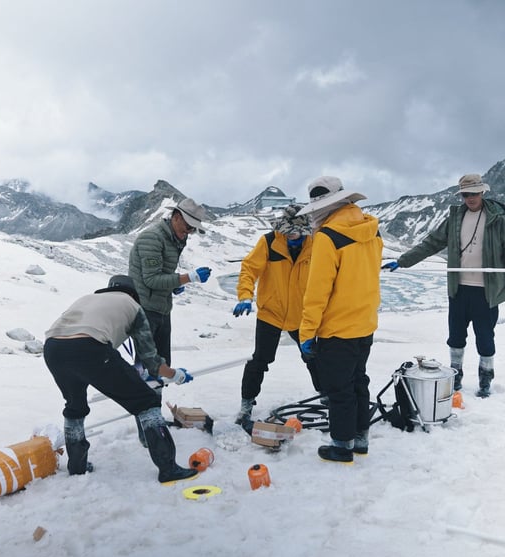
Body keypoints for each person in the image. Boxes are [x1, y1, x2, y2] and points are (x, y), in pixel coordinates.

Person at [382, 173, 505, 398]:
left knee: (485, 337)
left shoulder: (497, 219)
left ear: (482, 192)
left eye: (474, 193)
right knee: (456, 337)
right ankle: (456, 376)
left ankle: (486, 378)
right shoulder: (455, 219)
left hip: (486, 292)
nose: (470, 198)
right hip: (459, 289)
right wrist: (403, 261)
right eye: (466, 194)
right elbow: (432, 243)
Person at [43, 275, 198, 484]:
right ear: (133, 293)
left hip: (53, 348)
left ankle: (77, 466)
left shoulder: (87, 298)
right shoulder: (133, 306)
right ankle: (168, 468)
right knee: (147, 402)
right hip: (90, 346)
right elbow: (150, 359)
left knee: (74, 407)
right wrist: (175, 374)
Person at [297, 176, 383, 464]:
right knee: (359, 380)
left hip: (337, 328)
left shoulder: (328, 237)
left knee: (339, 389)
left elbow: (317, 291)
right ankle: (361, 439)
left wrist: (307, 332)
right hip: (365, 323)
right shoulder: (372, 230)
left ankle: (341, 447)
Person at [232, 203, 321, 425]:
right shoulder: (270, 242)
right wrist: (245, 295)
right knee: (260, 360)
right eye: (288, 232)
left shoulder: (316, 244)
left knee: (314, 358)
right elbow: (249, 269)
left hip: (302, 316)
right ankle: (246, 403)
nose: (292, 237)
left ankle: (327, 396)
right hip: (271, 313)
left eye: (297, 233)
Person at [128, 197, 212, 366]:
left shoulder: (174, 238)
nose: (189, 232)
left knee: (162, 364)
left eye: (193, 229)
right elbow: (151, 280)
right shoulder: (152, 238)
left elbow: (163, 273)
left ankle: (157, 391)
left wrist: (174, 286)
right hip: (145, 310)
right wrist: (189, 277)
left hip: (161, 308)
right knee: (146, 365)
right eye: (188, 226)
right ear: (176, 217)